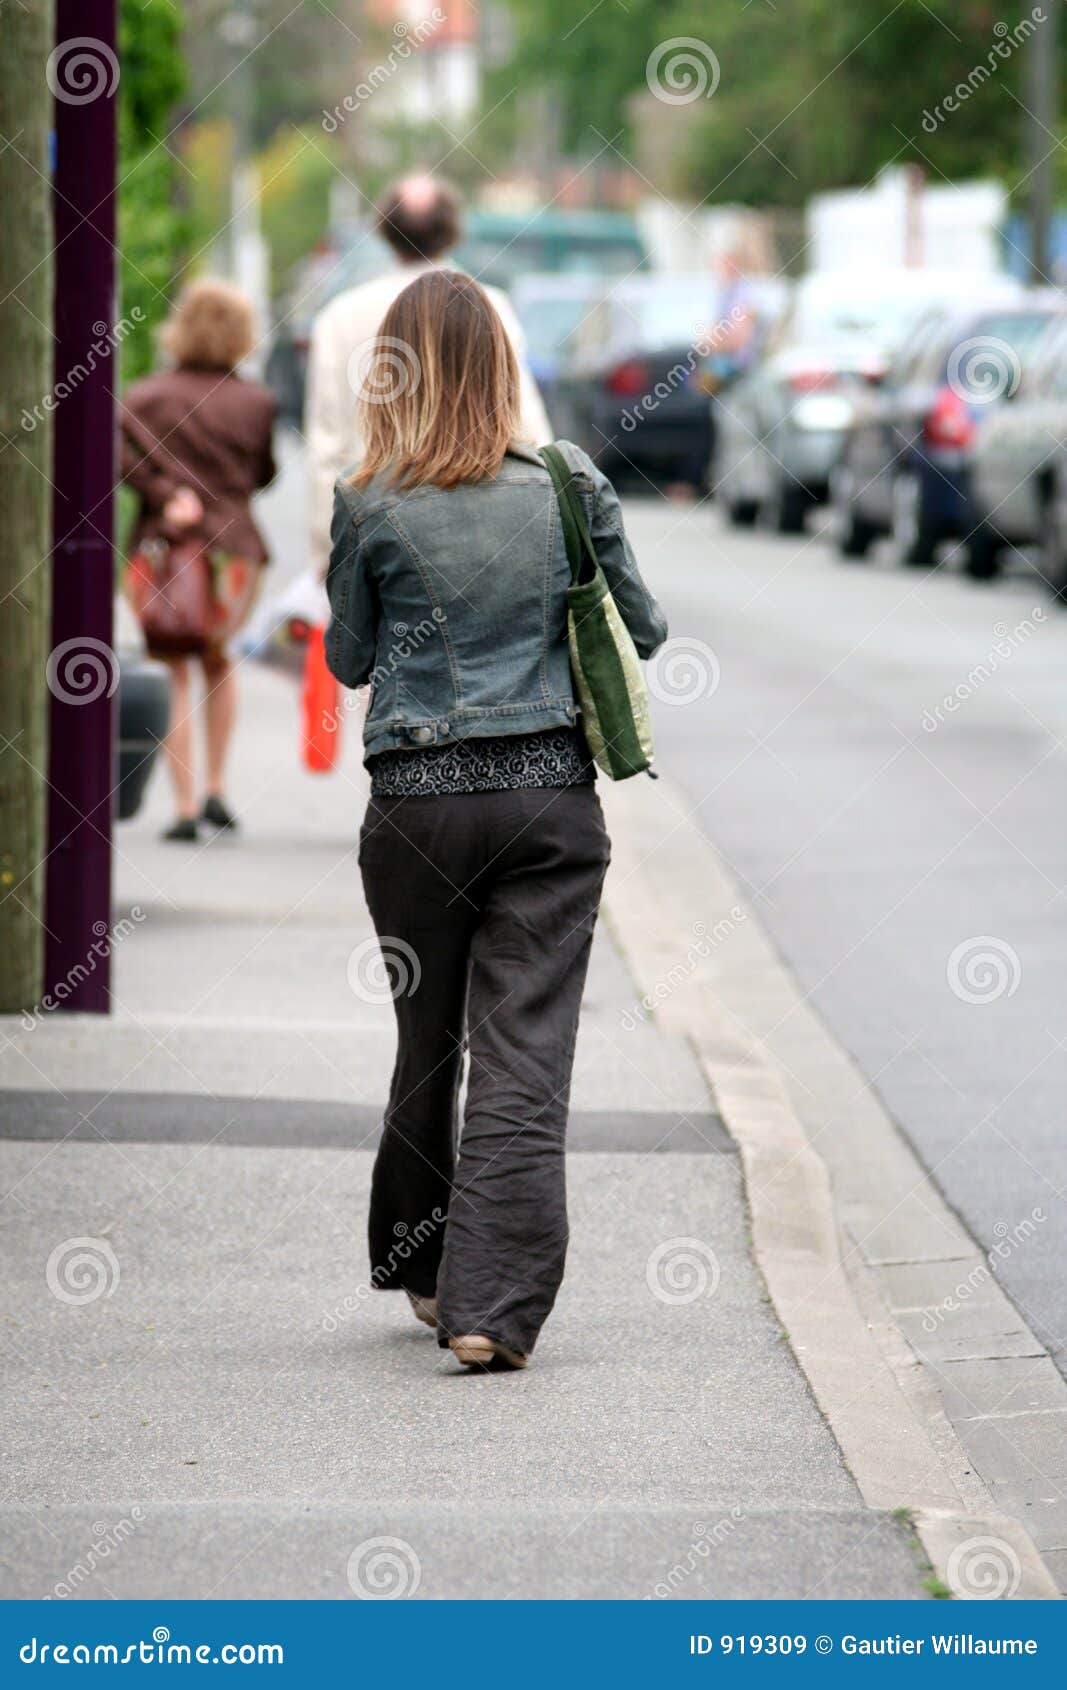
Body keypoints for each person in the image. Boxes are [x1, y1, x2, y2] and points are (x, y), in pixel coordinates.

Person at [325, 271, 668, 1369]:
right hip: (546, 808)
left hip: (416, 815)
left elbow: (348, 658)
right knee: (521, 1053)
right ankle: (490, 1308)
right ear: (505, 368)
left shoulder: (367, 496)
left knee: (426, 1046)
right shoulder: (567, 483)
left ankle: (423, 1267)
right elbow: (646, 631)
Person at [307, 174, 551, 575]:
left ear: (384, 230)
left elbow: (326, 445)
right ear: (454, 229)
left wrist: (326, 548)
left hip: (376, 532)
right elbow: (526, 424)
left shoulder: (339, 316)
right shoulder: (493, 307)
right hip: (484, 530)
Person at [120, 279, 277, 841]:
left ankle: (183, 805)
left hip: (158, 552)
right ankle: (216, 789)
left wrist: (165, 496)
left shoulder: (143, 398)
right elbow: (263, 475)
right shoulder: (257, 403)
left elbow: (117, 461)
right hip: (236, 553)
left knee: (172, 667)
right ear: (241, 335)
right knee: (218, 658)